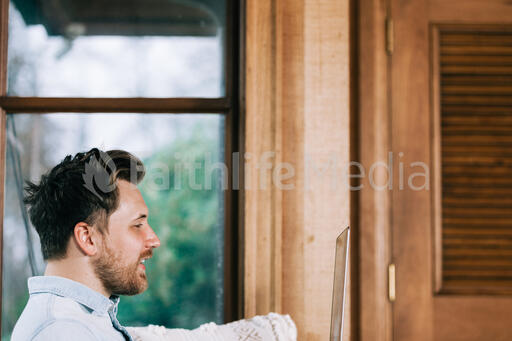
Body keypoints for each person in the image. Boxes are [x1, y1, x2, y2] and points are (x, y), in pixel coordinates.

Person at [11, 148, 161, 341]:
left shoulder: (83, 323)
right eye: (137, 225)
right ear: (88, 238)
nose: (154, 240)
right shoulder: (62, 332)